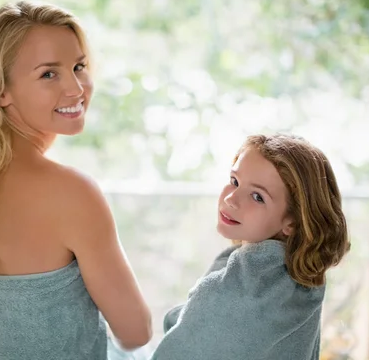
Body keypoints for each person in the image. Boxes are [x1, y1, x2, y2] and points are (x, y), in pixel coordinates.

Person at [0, 0, 152, 360]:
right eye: (49, 74)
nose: (76, 89)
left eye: (79, 66)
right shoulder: (72, 193)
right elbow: (136, 332)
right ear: (1, 90)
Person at [150, 134, 350, 360]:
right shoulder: (299, 282)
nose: (231, 199)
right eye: (234, 181)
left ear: (293, 221)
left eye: (257, 196)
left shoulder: (244, 288)